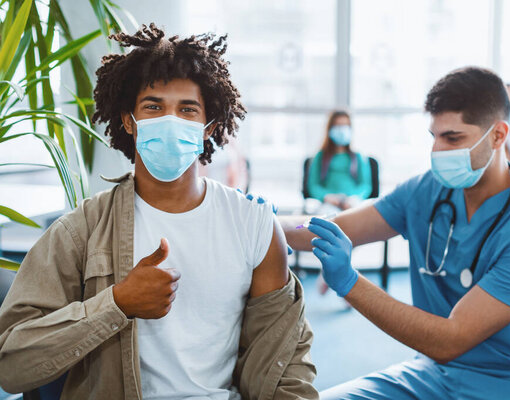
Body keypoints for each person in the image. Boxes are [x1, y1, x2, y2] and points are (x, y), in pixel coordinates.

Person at [0, 24, 317, 400]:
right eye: (154, 107)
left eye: (187, 110)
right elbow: (11, 367)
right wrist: (116, 304)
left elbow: (286, 365)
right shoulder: (81, 231)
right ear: (128, 121)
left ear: (208, 128)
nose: (170, 120)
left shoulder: (255, 227)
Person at [282, 67, 510, 399]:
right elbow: (331, 226)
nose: (437, 151)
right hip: (434, 374)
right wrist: (267, 222)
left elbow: (450, 339)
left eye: (453, 138)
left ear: (498, 135)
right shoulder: (426, 190)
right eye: (434, 136)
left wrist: (350, 283)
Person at [306, 110, 372, 212]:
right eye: (338, 125)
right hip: (328, 204)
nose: (342, 130)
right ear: (330, 128)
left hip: (352, 202)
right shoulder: (320, 156)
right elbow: (313, 186)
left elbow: (365, 185)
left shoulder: (358, 156)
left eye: (345, 125)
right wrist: (327, 197)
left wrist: (353, 198)